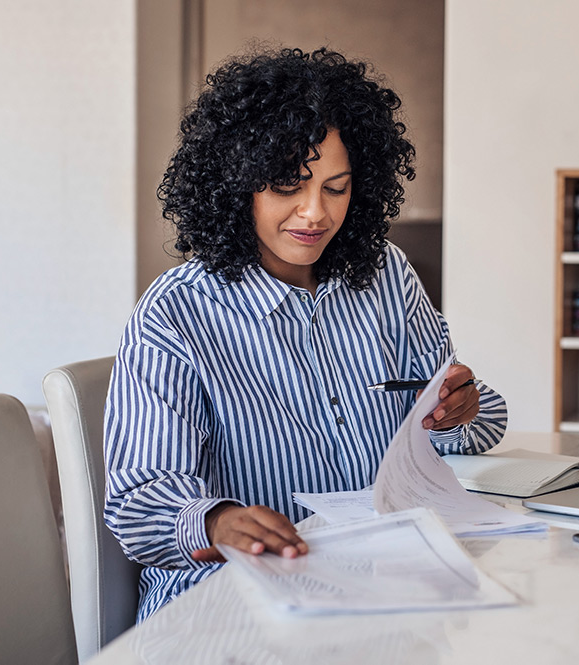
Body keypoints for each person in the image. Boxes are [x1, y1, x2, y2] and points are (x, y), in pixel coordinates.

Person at [103, 47, 508, 622]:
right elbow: (140, 500)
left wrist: (458, 411)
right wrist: (217, 521)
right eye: (287, 186)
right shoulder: (177, 311)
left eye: (336, 188)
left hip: (385, 584)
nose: (314, 213)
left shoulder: (387, 276)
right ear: (236, 183)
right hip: (231, 602)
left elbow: (458, 430)